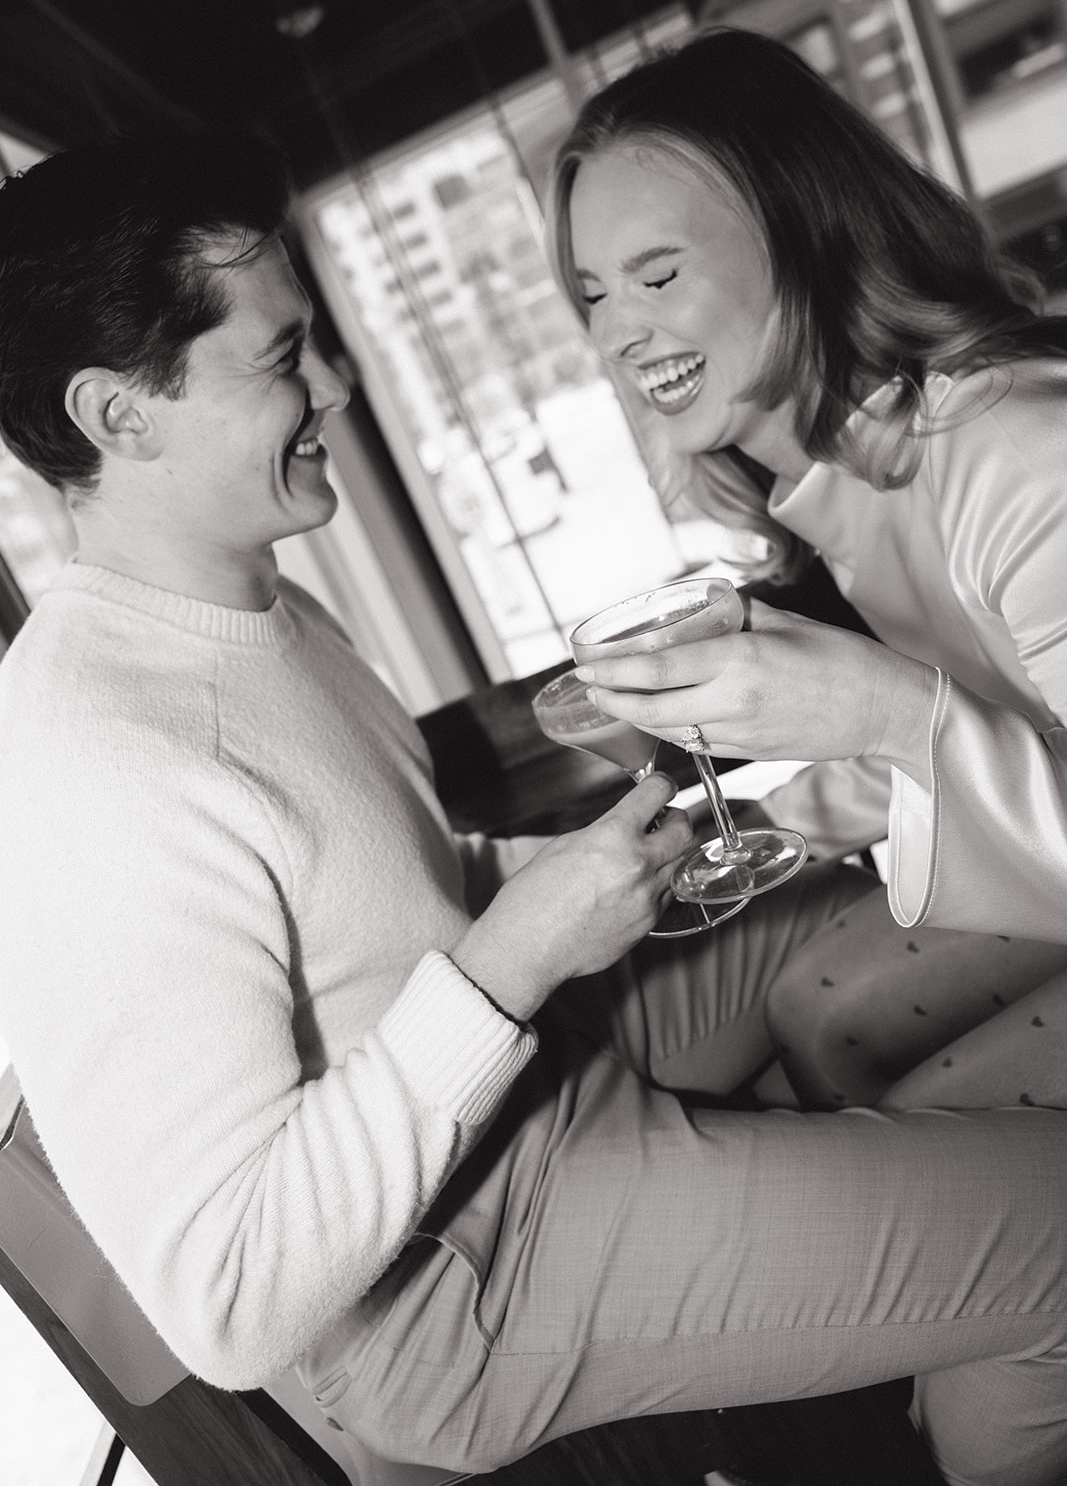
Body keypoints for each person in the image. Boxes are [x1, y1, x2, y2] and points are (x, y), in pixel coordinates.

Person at [0, 131, 1065, 1486]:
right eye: (280, 360)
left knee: (918, 887)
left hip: (534, 1060)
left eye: (318, 339)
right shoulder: (88, 762)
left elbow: (374, 901)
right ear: (116, 414)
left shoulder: (249, 600)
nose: (338, 383)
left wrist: (599, 859)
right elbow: (231, 1297)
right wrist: (517, 952)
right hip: (458, 1283)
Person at [549, 25, 1067, 1112]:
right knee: (810, 1014)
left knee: (914, 1128)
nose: (620, 335)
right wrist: (758, 825)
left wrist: (883, 710)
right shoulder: (847, 471)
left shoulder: (1022, 461)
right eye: (595, 294)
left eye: (656, 274)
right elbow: (987, 726)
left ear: (804, 234)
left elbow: (931, 729)